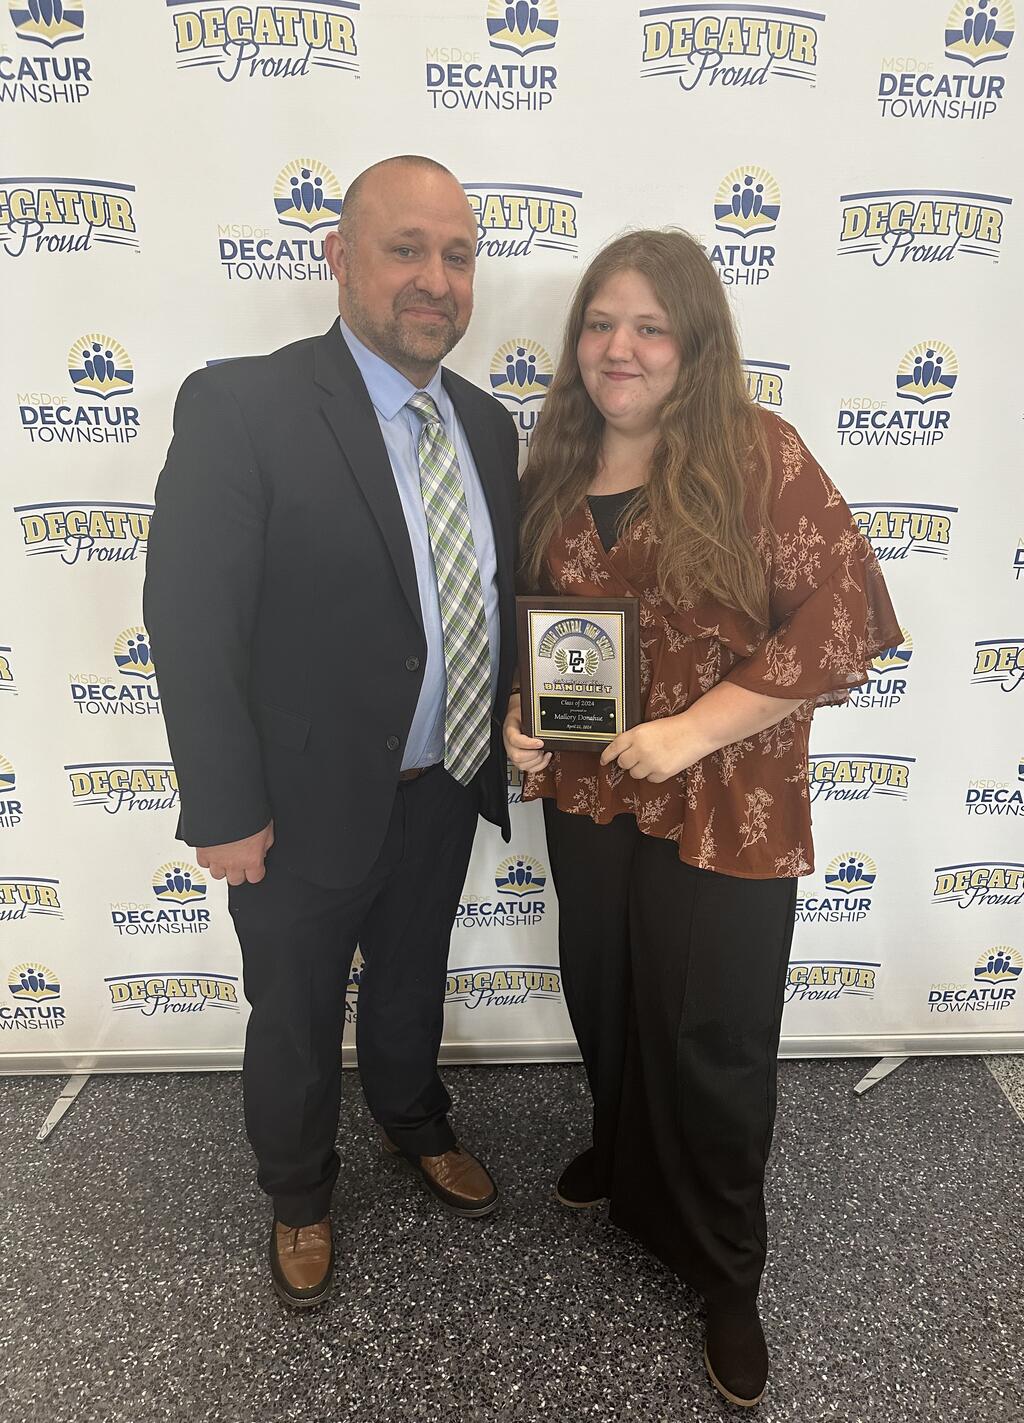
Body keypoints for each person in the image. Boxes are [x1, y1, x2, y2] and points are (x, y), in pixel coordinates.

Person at [504, 230, 901, 1408]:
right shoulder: (555, 464)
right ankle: (627, 1162)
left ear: (694, 343)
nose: (617, 347)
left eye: (648, 326)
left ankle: (728, 1272)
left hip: (729, 800)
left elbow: (842, 621)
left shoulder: (754, 454)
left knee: (711, 1038)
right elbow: (543, 629)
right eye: (599, 323)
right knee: (608, 993)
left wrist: (688, 733)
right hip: (591, 794)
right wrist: (523, 715)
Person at [144, 156, 520, 1309]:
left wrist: (513, 716)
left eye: (456, 255)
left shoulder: (486, 425)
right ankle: (299, 1191)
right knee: (298, 1015)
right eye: (406, 249)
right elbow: (192, 622)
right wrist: (224, 807)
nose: (436, 279)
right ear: (340, 258)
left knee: (411, 981)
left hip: (445, 781)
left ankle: (413, 1116)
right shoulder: (243, 406)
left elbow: (481, 600)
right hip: (298, 804)